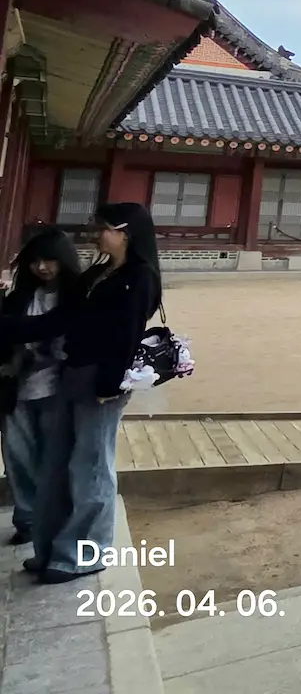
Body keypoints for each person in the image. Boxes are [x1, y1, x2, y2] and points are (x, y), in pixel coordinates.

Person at [0, 204, 163, 581]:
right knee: (57, 464)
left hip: (101, 382)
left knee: (90, 465)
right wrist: (9, 327)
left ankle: (85, 552)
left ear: (125, 233)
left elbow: (126, 335)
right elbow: (62, 320)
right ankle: (51, 548)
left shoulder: (139, 277)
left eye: (104, 228)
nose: (97, 235)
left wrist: (108, 385)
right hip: (72, 373)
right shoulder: (97, 272)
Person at [0, 230, 76, 545]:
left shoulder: (76, 297)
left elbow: (59, 334)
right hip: (16, 390)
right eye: (35, 261)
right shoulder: (19, 297)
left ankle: (55, 520)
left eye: (49, 260)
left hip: (56, 390)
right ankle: (27, 520)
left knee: (53, 460)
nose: (42, 267)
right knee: (17, 458)